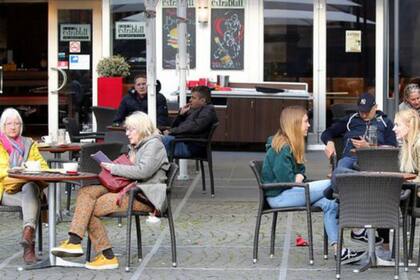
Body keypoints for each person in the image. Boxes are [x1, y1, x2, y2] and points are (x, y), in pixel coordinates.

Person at [51, 112, 170, 270]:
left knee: (89, 208)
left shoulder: (154, 145)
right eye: (126, 129)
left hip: (144, 196)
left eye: (130, 130)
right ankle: (74, 241)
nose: (126, 133)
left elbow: (143, 172)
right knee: (86, 192)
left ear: (141, 129)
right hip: (127, 188)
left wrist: (113, 168)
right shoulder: (138, 145)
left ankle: (107, 256)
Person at [262, 106, 365, 264]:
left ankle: (340, 251)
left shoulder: (292, 143)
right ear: (294, 123)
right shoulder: (282, 147)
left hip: (291, 192)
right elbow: (288, 181)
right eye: (305, 121)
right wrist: (297, 177)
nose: (309, 125)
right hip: (280, 196)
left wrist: (299, 175)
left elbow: (301, 171)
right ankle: (357, 228)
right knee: (334, 181)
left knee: (330, 204)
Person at [322, 92, 397, 259]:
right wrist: (330, 141)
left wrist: (369, 146)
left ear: (375, 108)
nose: (363, 114)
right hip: (351, 159)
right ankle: (357, 228)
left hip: (374, 162)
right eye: (361, 111)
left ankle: (333, 188)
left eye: (367, 111)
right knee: (342, 166)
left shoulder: (385, 122)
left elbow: (393, 147)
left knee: (367, 187)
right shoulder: (351, 119)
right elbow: (326, 133)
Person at [0, 108, 49, 264]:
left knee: (30, 188)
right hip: (5, 192)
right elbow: (1, 172)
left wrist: (29, 174)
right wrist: (23, 175)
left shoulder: (29, 143)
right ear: (3, 126)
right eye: (9, 124)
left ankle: (28, 232)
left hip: (26, 191)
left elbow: (44, 168)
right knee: (31, 190)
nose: (13, 127)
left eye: (16, 123)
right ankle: (29, 249)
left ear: (21, 126)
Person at [162, 86, 218, 158]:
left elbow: (193, 127)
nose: (190, 100)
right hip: (184, 142)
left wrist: (171, 131)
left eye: (193, 98)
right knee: (156, 141)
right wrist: (181, 115)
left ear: (203, 101)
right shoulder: (196, 110)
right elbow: (176, 127)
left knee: (157, 141)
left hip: (190, 147)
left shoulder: (207, 112)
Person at [394, 109, 420, 182]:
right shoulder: (407, 144)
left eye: (397, 125)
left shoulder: (418, 145)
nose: (394, 129)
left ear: (409, 126)